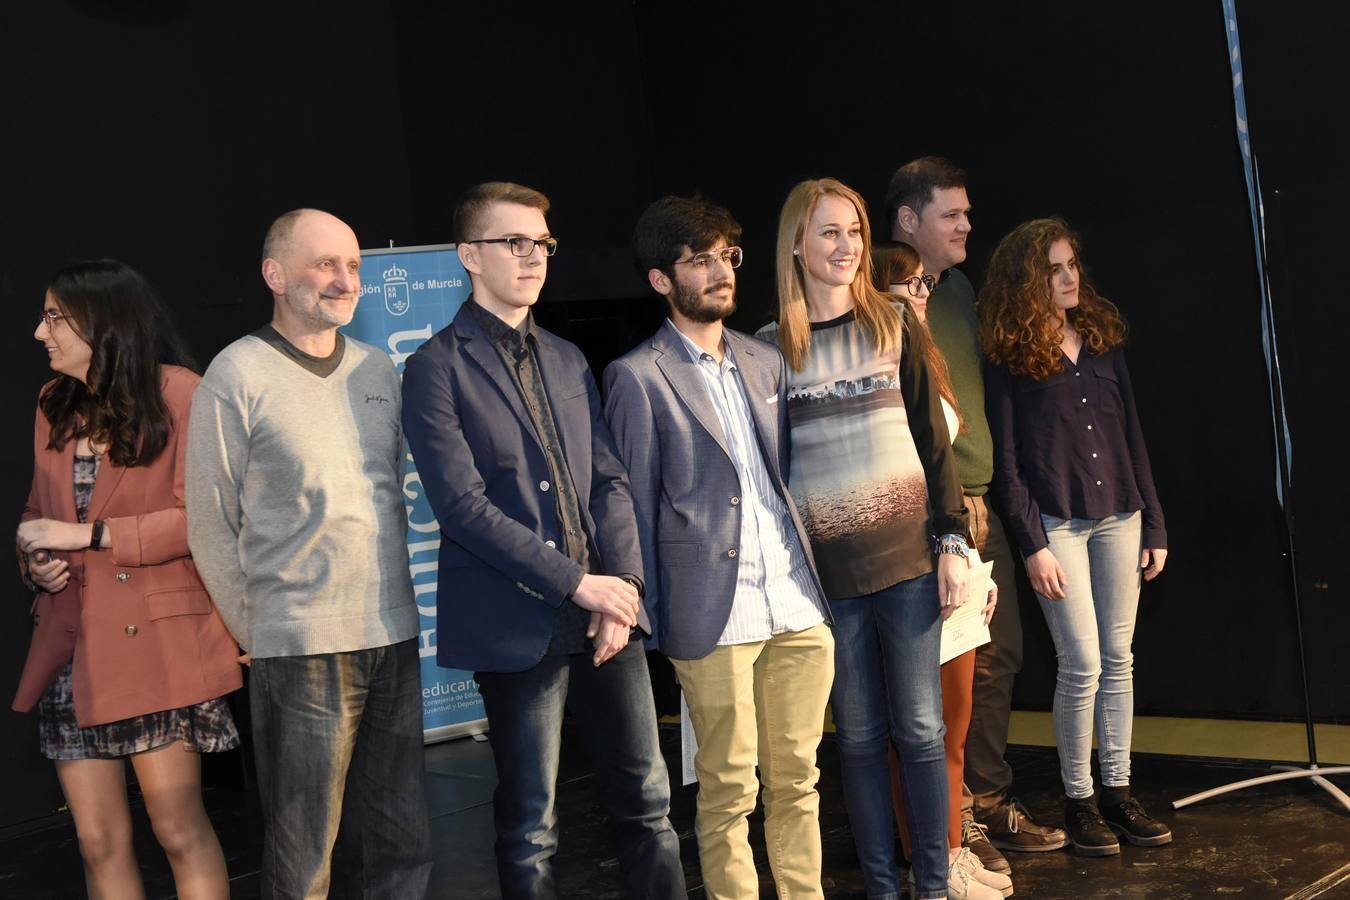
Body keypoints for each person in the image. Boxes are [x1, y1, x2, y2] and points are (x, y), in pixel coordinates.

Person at [400, 182, 684, 900]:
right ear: (469, 255)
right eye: (515, 243)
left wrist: (622, 589)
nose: (534, 258)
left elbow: (609, 482)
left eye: (543, 244)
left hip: (605, 616)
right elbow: (461, 507)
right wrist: (576, 582)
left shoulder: (564, 357)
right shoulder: (435, 366)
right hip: (516, 617)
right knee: (531, 825)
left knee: (650, 805)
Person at [186, 209, 432, 898]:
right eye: (325, 264)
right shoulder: (235, 374)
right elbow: (210, 523)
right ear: (275, 274)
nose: (344, 279)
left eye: (352, 266)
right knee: (303, 860)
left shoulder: (378, 368)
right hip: (299, 650)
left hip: (394, 633)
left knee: (401, 844)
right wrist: (259, 633)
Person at [604, 196, 834, 899]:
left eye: (727, 256)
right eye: (698, 260)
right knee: (730, 788)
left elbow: (783, 478)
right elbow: (633, 506)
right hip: (713, 614)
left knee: (799, 780)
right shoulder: (637, 376)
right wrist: (646, 607)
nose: (720, 271)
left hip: (795, 602)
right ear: (660, 280)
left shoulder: (766, 361)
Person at [757, 177, 973, 900]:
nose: (845, 245)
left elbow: (932, 440)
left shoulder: (895, 322)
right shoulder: (767, 351)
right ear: (796, 243)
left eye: (852, 230)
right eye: (827, 232)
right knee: (854, 736)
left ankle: (934, 886)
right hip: (828, 580)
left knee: (918, 728)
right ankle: (882, 887)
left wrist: (950, 542)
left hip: (911, 562)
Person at [13, 259, 242, 900]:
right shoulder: (53, 405)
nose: (40, 331)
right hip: (73, 645)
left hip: (158, 645)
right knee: (97, 842)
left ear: (102, 324)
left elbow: (209, 519)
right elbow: (39, 513)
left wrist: (91, 536)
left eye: (54, 316)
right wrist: (35, 559)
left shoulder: (180, 395)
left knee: (177, 830)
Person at [888, 157, 1067, 867]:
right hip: (927, 513)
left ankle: (988, 799)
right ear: (908, 220)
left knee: (999, 658)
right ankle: (951, 820)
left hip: (981, 502)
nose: (966, 225)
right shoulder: (878, 294)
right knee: (945, 672)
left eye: (966, 213)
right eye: (950, 215)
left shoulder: (961, 290)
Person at [980, 216, 1172, 857]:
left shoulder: (1100, 338)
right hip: (1057, 526)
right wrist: (1033, 545)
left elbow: (1134, 436)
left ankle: (1118, 794)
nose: (1069, 277)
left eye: (1072, 264)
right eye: (1054, 269)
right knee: (1083, 663)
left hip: (1122, 517)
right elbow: (1007, 466)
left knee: (1119, 660)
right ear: (1027, 281)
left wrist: (1155, 521)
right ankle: (1080, 799)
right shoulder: (1009, 357)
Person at [873, 242, 1012, 899]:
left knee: (952, 721)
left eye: (923, 286)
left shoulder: (929, 356)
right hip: (910, 565)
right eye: (903, 287)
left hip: (952, 559)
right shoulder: (880, 366)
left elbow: (946, 469)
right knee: (916, 731)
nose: (918, 296)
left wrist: (968, 562)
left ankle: (950, 850)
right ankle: (928, 861)